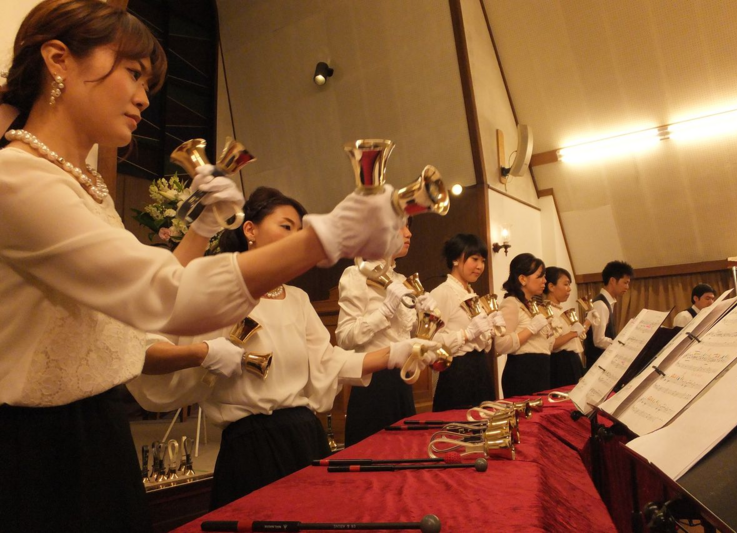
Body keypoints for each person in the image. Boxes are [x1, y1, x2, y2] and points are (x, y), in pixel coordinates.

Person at [0, 1, 406, 531]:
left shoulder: (84, 187)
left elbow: (140, 306)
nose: (144, 97)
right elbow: (160, 294)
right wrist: (324, 237)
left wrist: (203, 227)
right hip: (40, 447)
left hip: (96, 428)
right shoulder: (17, 179)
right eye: (133, 73)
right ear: (58, 59)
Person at [128, 187, 438, 509]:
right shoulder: (217, 294)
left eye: (299, 231)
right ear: (250, 230)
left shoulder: (297, 298)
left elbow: (330, 361)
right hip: (250, 446)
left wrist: (397, 353)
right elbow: (146, 349)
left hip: (304, 436)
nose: (296, 238)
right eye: (286, 227)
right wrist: (203, 353)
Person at [336, 218, 438, 447]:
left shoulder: (402, 281)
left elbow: (407, 337)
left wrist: (426, 318)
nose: (408, 233)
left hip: (402, 383)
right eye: (400, 226)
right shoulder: (356, 275)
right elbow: (344, 337)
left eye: (409, 226)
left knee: (405, 454)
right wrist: (385, 310)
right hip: (373, 383)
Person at [428, 234, 500, 411]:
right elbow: (430, 342)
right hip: (457, 373)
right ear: (455, 259)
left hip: (480, 369)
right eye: (474, 259)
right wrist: (466, 334)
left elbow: (483, 345)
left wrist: (490, 330)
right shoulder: (442, 293)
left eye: (483, 261)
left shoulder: (472, 295)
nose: (480, 266)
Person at [494, 253, 554, 397]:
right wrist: (531, 329)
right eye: (539, 276)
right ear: (523, 279)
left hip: (541, 370)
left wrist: (549, 334)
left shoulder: (532, 306)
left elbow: (543, 346)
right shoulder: (511, 303)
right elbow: (500, 344)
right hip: (522, 372)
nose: (544, 281)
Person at [584, 260, 634, 370]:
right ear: (612, 280)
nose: (627, 287)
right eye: (625, 282)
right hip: (597, 364)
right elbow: (598, 340)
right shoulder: (600, 304)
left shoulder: (607, 302)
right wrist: (620, 345)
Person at [544, 266, 589, 387]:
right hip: (561, 362)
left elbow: (576, 336)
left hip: (572, 360)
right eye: (566, 284)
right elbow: (551, 344)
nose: (569, 289)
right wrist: (573, 333)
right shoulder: (547, 311)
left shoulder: (559, 310)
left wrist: (588, 322)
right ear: (551, 286)